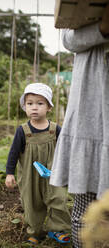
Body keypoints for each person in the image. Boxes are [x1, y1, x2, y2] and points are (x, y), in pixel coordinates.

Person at [49, 4, 109, 248]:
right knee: (86, 213)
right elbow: (67, 37)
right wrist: (102, 28)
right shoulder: (79, 8)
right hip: (90, 112)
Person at [5, 82, 71, 245]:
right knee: (32, 203)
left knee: (58, 198)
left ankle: (57, 230)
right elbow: (13, 153)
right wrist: (9, 173)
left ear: (49, 107)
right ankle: (35, 231)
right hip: (29, 176)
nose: (34, 107)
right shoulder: (23, 131)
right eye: (30, 103)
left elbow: (66, 149)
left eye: (40, 103)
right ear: (24, 106)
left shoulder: (55, 129)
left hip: (53, 173)